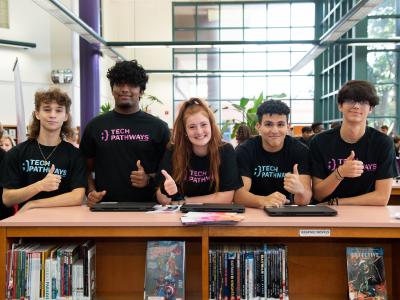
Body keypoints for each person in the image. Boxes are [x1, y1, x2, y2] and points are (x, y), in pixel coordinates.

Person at [80, 60, 170, 205]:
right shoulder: (95, 126)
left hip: (149, 209)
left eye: (132, 84)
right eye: (119, 84)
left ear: (141, 91)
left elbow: (169, 170)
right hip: (105, 207)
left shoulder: (159, 128)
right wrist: (91, 192)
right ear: (112, 89)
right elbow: (84, 168)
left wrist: (148, 179)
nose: (125, 89)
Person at [310, 80, 398, 205]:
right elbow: (318, 194)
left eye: (363, 102)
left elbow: (382, 197)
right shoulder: (319, 141)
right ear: (340, 105)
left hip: (366, 214)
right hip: (328, 214)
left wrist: (336, 202)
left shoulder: (383, 143)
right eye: (350, 100)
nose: (356, 106)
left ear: (371, 108)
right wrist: (340, 173)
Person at [1, 88, 87, 213]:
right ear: (37, 113)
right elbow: (7, 198)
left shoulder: (74, 154)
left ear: (65, 116)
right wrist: (40, 186)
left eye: (58, 110)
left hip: (65, 224)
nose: (52, 115)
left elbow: (77, 196)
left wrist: (34, 204)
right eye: (47, 109)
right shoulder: (17, 153)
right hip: (26, 225)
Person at [156, 98, 242, 205]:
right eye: (192, 127)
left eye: (203, 124)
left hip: (214, 215)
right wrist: (167, 192)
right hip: (181, 216)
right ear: (185, 131)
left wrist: (183, 201)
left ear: (211, 125)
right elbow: (162, 197)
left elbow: (226, 197)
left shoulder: (226, 150)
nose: (199, 131)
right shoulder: (173, 150)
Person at [234, 100, 312, 208]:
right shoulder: (245, 150)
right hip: (253, 211)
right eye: (268, 124)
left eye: (280, 124)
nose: (275, 130)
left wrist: (300, 191)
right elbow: (239, 196)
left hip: (286, 212)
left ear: (288, 127)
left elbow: (304, 200)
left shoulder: (300, 151)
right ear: (258, 126)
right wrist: (264, 200)